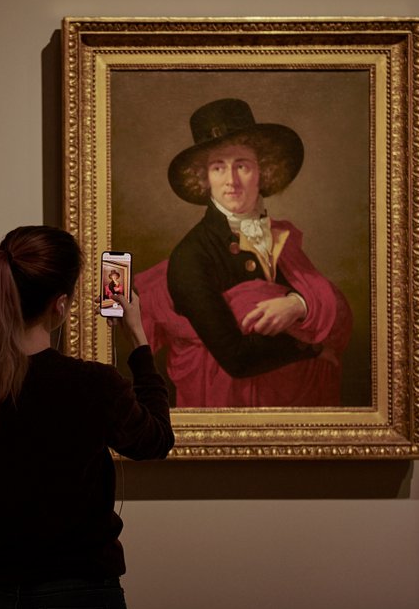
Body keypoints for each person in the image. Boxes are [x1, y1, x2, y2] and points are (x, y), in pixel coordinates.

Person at [0, 225, 174, 609]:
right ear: (60, 305)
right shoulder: (92, 385)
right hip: (83, 596)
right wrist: (138, 339)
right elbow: (156, 441)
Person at [135, 98, 352, 407]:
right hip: (223, 404)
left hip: (289, 403)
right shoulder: (190, 256)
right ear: (205, 178)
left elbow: (328, 300)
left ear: (262, 171)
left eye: (242, 165)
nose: (231, 181)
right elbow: (237, 359)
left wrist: (298, 304)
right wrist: (312, 349)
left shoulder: (282, 240)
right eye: (218, 167)